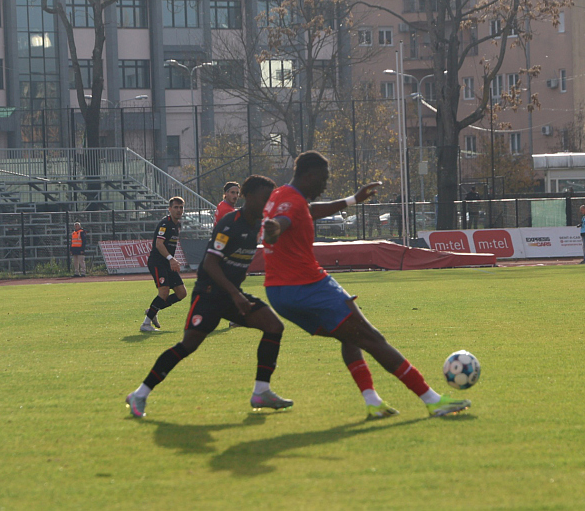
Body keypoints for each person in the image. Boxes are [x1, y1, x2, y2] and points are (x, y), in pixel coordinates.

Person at [261, 151, 471, 419]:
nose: (325, 185)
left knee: (350, 335)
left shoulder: (281, 195)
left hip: (278, 292)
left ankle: (373, 401)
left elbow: (306, 212)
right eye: (323, 179)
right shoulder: (291, 203)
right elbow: (284, 221)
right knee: (372, 338)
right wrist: (275, 229)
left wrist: (352, 200)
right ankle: (432, 400)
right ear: (309, 176)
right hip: (308, 286)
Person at [126, 176, 292, 417]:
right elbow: (210, 264)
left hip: (232, 295)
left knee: (274, 326)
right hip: (209, 295)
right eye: (265, 197)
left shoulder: (258, 224)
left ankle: (261, 391)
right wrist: (235, 293)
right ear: (250, 197)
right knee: (188, 346)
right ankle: (139, 394)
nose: (269, 202)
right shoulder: (230, 223)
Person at [140, 197, 188, 332]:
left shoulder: (178, 225)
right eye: (176, 207)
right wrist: (171, 259)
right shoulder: (165, 224)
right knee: (164, 292)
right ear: (170, 209)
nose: (179, 210)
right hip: (158, 262)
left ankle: (152, 311)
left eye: (181, 207)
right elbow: (159, 244)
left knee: (181, 293)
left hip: (167, 263)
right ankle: (145, 324)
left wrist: (171, 260)